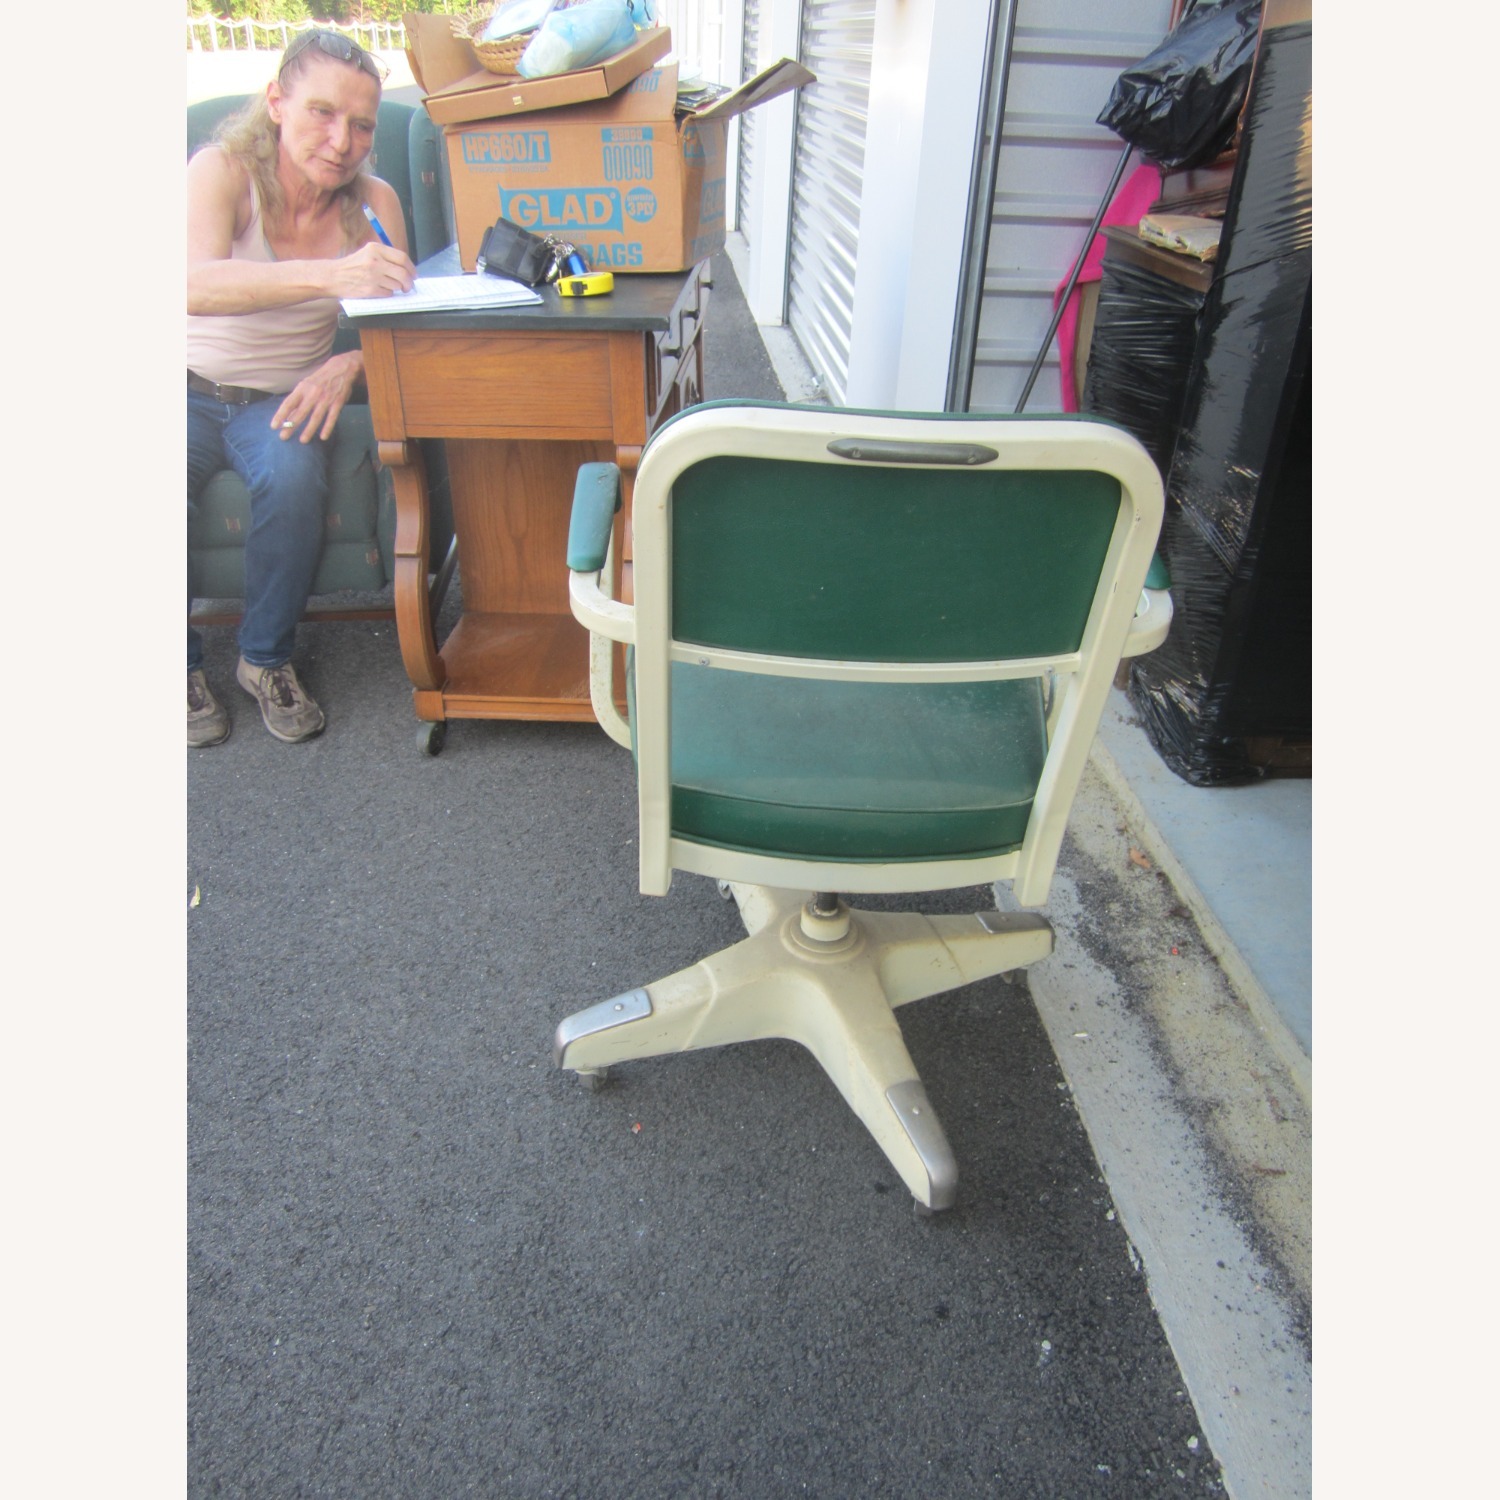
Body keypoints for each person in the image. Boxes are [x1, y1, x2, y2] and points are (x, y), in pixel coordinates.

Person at [187, 29, 416, 747]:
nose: (342, 141)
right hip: (183, 384)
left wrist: (348, 366)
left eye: (362, 125)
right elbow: (194, 286)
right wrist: (331, 276)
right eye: (322, 112)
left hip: (280, 398)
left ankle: (264, 659)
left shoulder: (373, 203)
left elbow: (403, 325)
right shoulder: (221, 170)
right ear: (276, 102)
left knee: (293, 481)